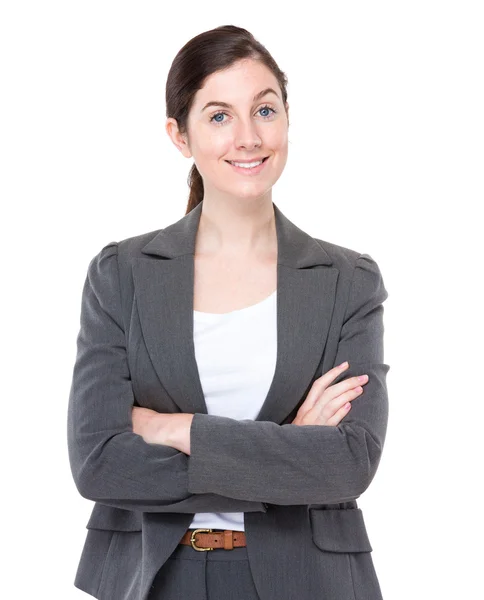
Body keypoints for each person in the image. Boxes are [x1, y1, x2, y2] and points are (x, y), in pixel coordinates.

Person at [67, 24, 390, 600]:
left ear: (287, 117)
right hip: (158, 576)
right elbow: (98, 464)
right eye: (219, 116)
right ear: (180, 135)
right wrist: (286, 449)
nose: (247, 136)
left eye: (264, 109)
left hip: (307, 581)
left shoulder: (348, 281)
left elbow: (348, 463)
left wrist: (178, 429)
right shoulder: (122, 274)